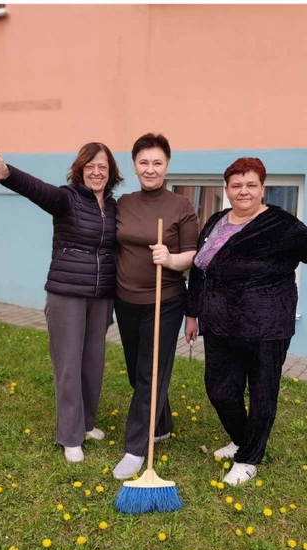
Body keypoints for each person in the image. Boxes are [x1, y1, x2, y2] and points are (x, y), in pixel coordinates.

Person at [184, 157, 307, 486]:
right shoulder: (217, 221)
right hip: (219, 324)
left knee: (262, 394)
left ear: (262, 188)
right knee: (220, 391)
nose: (243, 191)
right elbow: (200, 268)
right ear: (227, 189)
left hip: (266, 326)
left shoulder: (280, 224)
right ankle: (240, 440)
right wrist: (193, 312)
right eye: (236, 185)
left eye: (251, 185)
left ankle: (248, 459)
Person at [0, 143, 123, 463]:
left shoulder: (115, 207)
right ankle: (70, 436)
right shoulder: (67, 199)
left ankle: (86, 424)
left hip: (101, 295)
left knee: (93, 363)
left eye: (102, 166)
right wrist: (8, 174)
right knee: (69, 366)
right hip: (67, 294)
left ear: (111, 172)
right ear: (80, 169)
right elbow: (38, 190)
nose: (96, 171)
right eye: (90, 166)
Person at [112, 133, 199, 479]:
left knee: (150, 374)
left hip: (165, 301)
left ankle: (136, 449)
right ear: (134, 165)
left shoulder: (181, 206)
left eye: (157, 162)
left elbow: (194, 256)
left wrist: (172, 258)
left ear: (167, 165)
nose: (150, 169)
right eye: (144, 162)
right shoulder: (124, 203)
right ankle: (160, 425)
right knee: (138, 372)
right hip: (125, 300)